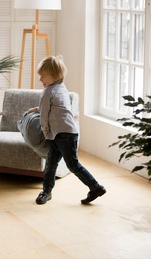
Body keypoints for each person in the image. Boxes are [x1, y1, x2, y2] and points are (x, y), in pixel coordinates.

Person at [27, 55, 106, 205]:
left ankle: (95, 187)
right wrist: (36, 109)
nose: (40, 79)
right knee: (51, 164)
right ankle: (46, 192)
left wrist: (44, 130)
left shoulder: (47, 92)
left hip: (64, 135)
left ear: (54, 75)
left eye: (42, 75)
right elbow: (56, 109)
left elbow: (44, 114)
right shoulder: (61, 88)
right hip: (64, 133)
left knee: (72, 165)